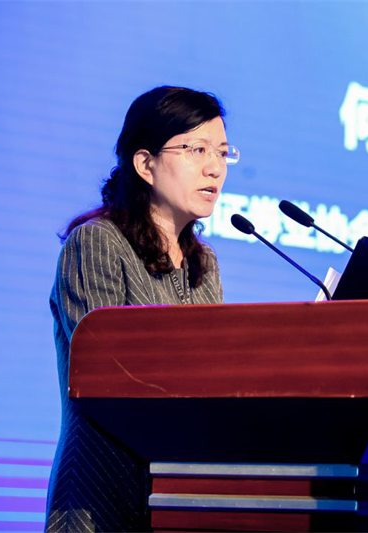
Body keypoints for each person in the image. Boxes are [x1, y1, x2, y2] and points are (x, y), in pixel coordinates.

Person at [45, 86, 237, 532]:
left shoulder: (204, 264)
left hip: (179, 495)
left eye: (222, 152)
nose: (215, 167)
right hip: (100, 497)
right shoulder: (97, 243)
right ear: (145, 164)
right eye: (197, 149)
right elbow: (109, 374)